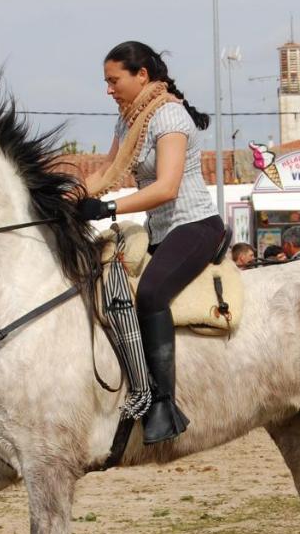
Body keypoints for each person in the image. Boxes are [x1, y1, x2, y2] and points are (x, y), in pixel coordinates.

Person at [74, 41, 228, 445]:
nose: (108, 89)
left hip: (195, 226)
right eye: (105, 81)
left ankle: (163, 402)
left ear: (141, 75)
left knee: (152, 294)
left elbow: (166, 186)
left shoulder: (170, 117)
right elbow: (107, 169)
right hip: (161, 231)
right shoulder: (127, 121)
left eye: (113, 80)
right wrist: (70, 200)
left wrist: (107, 209)